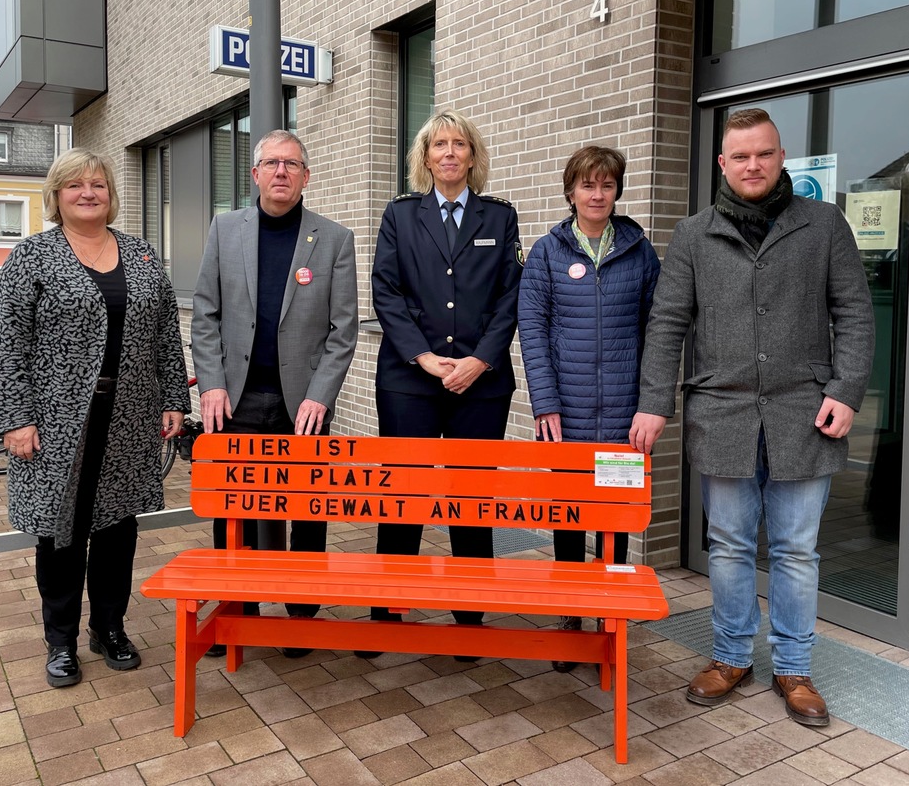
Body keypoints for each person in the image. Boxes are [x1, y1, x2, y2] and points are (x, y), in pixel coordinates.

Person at [632, 108, 874, 726]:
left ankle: (793, 669)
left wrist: (846, 390)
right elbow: (666, 324)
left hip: (805, 411)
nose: (752, 166)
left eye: (763, 154)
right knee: (730, 545)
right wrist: (654, 404)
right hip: (724, 411)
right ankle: (731, 656)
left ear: (780, 155)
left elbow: (854, 311)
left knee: (796, 549)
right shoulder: (693, 233)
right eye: (740, 156)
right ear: (722, 163)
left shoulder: (823, 225)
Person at [0, 148, 190, 689]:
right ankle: (61, 642)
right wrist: (14, 417)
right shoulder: (31, 258)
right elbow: (6, 344)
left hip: (127, 416)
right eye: (75, 185)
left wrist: (174, 397)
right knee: (62, 530)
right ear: (56, 195)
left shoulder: (142, 256)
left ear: (111, 194)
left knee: (118, 528)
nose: (88, 193)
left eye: (98, 184)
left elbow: (166, 335)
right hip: (54, 421)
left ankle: (109, 627)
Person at [191, 129, 358, 658]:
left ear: (306, 176)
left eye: (292, 164)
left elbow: (343, 329)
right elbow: (205, 316)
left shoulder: (333, 238)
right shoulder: (225, 228)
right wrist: (213, 384)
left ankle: (300, 616)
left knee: (305, 510)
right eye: (272, 163)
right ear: (255, 173)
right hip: (235, 400)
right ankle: (236, 611)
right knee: (232, 510)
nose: (282, 172)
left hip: (301, 404)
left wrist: (320, 396)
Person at [367, 109, 523, 660]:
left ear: (473, 156)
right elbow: (385, 291)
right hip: (410, 380)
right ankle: (388, 611)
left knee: (471, 498)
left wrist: (480, 360)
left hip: (480, 384)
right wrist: (424, 357)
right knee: (400, 496)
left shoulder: (499, 219)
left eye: (460, 144)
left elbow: (511, 297)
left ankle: (469, 618)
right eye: (439, 145)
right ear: (425, 158)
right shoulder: (400, 215)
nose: (450, 153)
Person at [517, 145, 661, 672]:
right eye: (587, 185)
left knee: (615, 515)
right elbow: (531, 331)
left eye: (606, 185)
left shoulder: (640, 252)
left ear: (617, 190)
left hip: (623, 413)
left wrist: (650, 403)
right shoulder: (548, 253)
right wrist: (545, 403)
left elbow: (658, 332)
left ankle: (608, 610)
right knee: (570, 515)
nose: (597, 194)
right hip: (567, 413)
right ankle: (571, 612)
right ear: (571, 191)